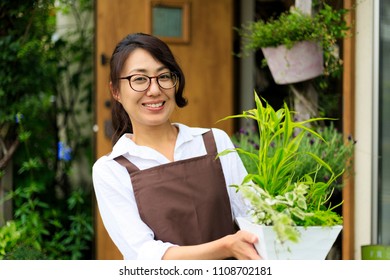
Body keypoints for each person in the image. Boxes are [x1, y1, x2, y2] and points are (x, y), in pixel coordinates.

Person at [92, 33, 261, 260]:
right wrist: (227, 246)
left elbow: (253, 216)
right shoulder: (111, 169)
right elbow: (145, 255)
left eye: (163, 76)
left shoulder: (214, 142)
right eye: (139, 79)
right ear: (115, 91)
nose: (154, 90)